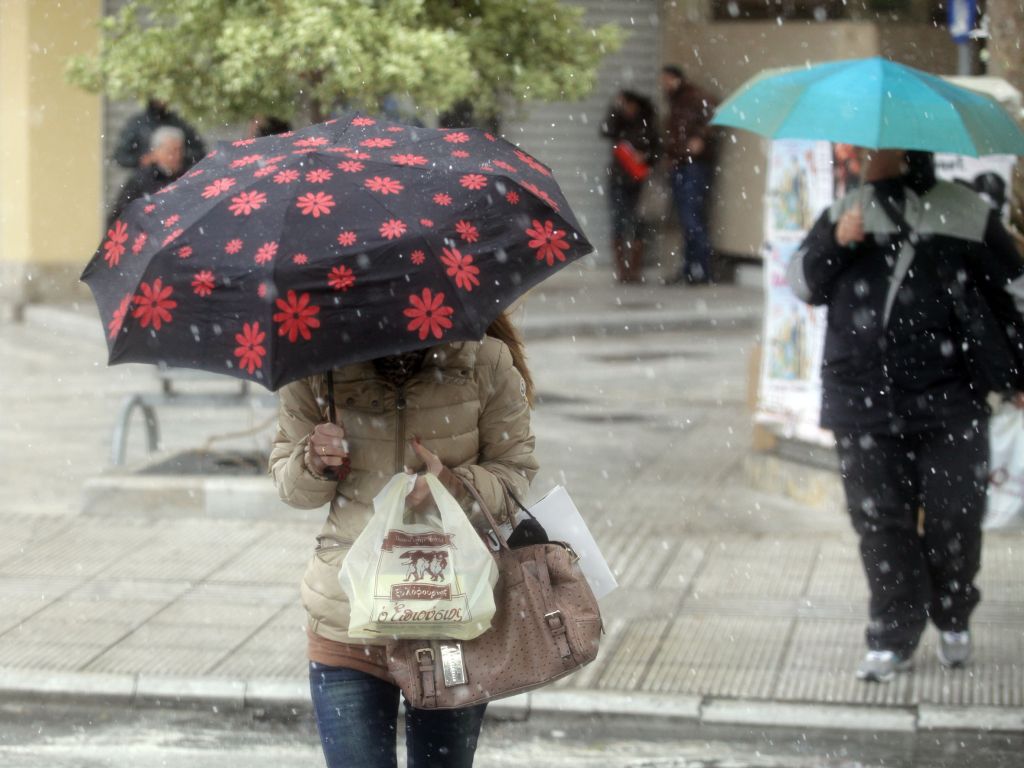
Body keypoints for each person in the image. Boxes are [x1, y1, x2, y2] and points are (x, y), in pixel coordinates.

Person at [787, 148, 1024, 683]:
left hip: (952, 399)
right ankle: (891, 633)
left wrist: (1017, 372)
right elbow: (802, 284)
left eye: (871, 148)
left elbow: (1012, 292)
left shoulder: (966, 211)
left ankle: (954, 612)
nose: (859, 155)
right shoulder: (847, 210)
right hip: (861, 400)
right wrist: (836, 240)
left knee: (955, 517)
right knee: (880, 522)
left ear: (902, 150)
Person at [269, 314, 539, 767]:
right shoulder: (317, 364)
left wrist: (453, 487)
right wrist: (313, 461)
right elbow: (291, 487)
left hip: (452, 620)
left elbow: (515, 475)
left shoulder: (484, 361)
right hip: (347, 621)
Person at [660, 64, 718, 285]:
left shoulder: (694, 97)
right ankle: (690, 269)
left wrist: (700, 137)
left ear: (676, 78)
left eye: (667, 79)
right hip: (681, 164)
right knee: (687, 220)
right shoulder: (676, 101)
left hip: (693, 166)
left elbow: (713, 116)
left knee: (691, 218)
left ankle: (701, 268)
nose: (664, 84)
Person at [601, 90, 658, 283]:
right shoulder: (618, 123)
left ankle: (634, 269)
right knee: (618, 222)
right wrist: (615, 109)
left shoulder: (646, 124)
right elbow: (605, 130)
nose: (628, 109)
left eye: (630, 105)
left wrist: (646, 157)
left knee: (638, 223)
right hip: (618, 179)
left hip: (638, 181)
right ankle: (622, 270)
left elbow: (657, 150)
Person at [107, 126, 186, 225]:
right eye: (171, 151)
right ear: (156, 152)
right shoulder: (140, 180)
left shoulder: (186, 177)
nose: (177, 156)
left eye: (180, 150)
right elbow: (120, 215)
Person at [114, 98, 205, 171]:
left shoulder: (179, 123)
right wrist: (144, 159)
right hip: (147, 179)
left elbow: (199, 153)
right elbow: (121, 157)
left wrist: (180, 157)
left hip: (178, 177)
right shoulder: (137, 124)